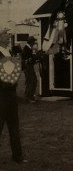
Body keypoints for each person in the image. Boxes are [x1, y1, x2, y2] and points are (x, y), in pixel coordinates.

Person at [0, 28, 27, 163]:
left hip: (11, 93)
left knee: (14, 126)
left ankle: (17, 156)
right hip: (1, 94)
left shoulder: (8, 52)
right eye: (5, 34)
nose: (8, 36)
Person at [22, 36, 38, 103]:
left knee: (34, 81)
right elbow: (28, 59)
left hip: (29, 67)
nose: (34, 42)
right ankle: (28, 97)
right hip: (27, 67)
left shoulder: (28, 48)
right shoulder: (26, 48)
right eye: (33, 41)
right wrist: (35, 56)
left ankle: (30, 96)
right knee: (30, 81)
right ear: (31, 42)